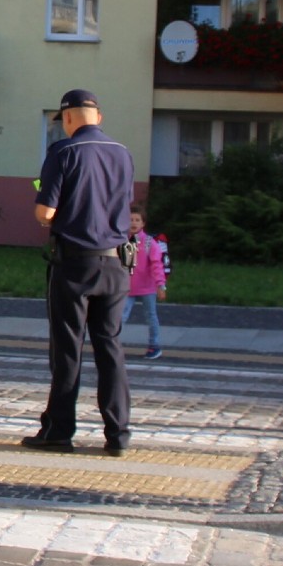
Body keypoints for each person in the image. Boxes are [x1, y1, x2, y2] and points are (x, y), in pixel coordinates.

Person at [21, 89, 135, 457]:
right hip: (117, 262)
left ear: (67, 118)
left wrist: (48, 202)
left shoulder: (63, 153)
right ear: (98, 118)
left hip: (74, 263)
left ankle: (59, 430)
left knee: (68, 349)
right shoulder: (123, 154)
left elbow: (45, 213)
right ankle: (118, 434)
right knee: (111, 347)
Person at [122, 204, 167, 360]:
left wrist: (160, 285)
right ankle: (112, 344)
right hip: (126, 287)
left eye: (137, 220)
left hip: (147, 287)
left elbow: (157, 265)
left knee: (151, 316)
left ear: (143, 223)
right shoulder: (121, 241)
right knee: (120, 317)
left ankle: (154, 346)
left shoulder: (149, 243)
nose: (133, 223)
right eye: (130, 220)